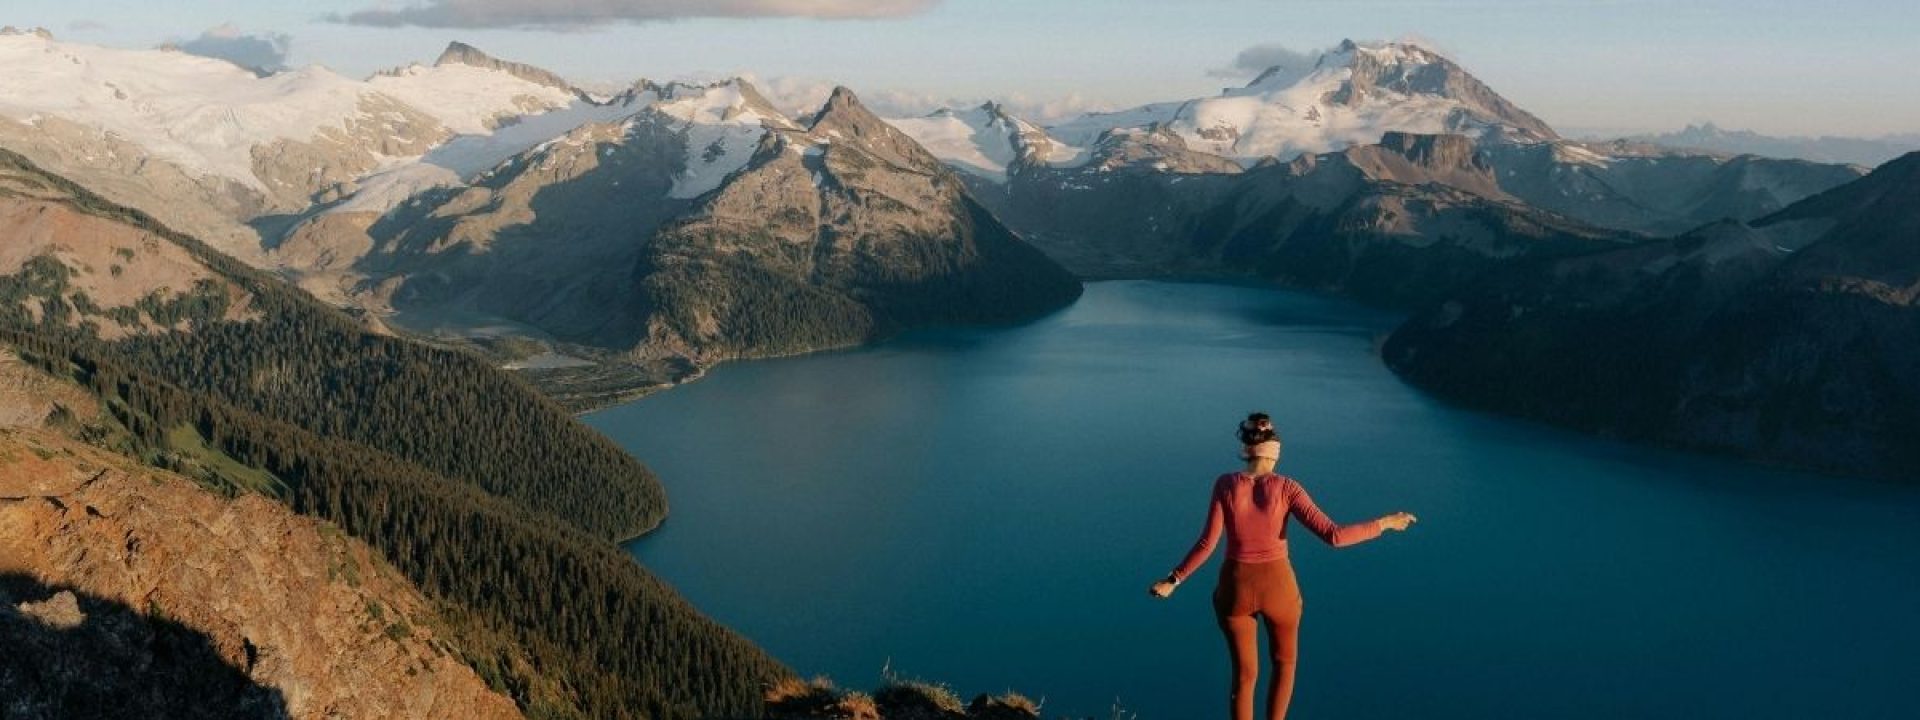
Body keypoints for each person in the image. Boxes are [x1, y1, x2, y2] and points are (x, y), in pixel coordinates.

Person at [1149, 412, 1416, 720]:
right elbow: (1335, 536)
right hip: (1279, 590)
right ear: (1275, 452)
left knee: (1244, 676)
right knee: (1285, 664)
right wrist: (1385, 523)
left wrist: (1173, 579)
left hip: (1234, 589)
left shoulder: (1225, 484)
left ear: (1247, 449)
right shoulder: (1288, 488)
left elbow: (1207, 544)